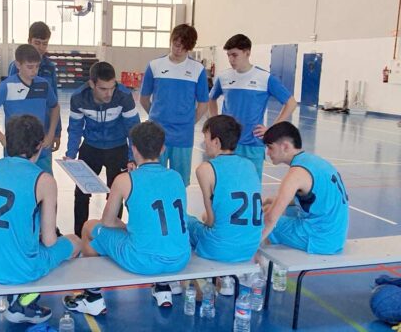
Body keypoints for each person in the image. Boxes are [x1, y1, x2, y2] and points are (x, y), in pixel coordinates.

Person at [63, 121, 191, 314]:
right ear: (163, 148)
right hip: (180, 257)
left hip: (142, 261)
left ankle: (93, 296)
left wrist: (124, 226)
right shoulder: (176, 176)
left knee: (90, 227)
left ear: (134, 148)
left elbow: (107, 221)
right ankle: (162, 287)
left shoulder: (124, 180)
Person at [0, 115, 81, 324]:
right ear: (39, 145)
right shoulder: (44, 179)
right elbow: (49, 240)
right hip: (19, 270)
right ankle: (25, 302)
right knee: (74, 242)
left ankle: (17, 299)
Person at [188, 115, 263, 295]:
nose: (204, 143)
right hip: (250, 247)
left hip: (219, 249)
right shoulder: (250, 165)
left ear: (216, 141)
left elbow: (211, 220)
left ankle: (197, 281)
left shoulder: (205, 169)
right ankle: (231, 277)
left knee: (185, 221)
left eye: (206, 138)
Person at [65, 61, 140, 237]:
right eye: (103, 89)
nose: (109, 94)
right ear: (92, 84)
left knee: (116, 194)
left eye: (112, 87)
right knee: (82, 194)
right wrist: (70, 155)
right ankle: (80, 235)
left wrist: (132, 158)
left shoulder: (124, 96)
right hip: (91, 148)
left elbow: (134, 129)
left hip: (118, 148)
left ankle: (112, 235)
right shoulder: (78, 98)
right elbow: (75, 128)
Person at [209, 34, 297, 178]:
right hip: (227, 144)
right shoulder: (223, 77)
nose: (231, 59)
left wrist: (272, 129)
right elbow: (211, 99)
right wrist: (216, 121)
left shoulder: (264, 78)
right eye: (229, 55)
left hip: (252, 145)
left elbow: (291, 103)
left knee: (251, 186)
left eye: (235, 55)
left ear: (247, 52)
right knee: (226, 184)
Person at [262, 121, 349, 254]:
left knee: (260, 220)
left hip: (319, 239)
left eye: (270, 147)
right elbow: (314, 198)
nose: (267, 153)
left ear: (285, 146)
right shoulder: (314, 162)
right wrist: (270, 199)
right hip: (335, 236)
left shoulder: (296, 174)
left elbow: (270, 218)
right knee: (270, 207)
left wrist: (248, 247)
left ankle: (259, 267)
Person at [139, 24, 209, 187]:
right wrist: (156, 117)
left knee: (180, 182)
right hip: (157, 135)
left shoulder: (197, 69)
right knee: (155, 180)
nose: (178, 50)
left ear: (189, 48)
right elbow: (144, 99)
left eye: (184, 48)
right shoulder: (154, 65)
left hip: (183, 137)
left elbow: (203, 104)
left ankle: (178, 212)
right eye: (176, 45)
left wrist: (188, 122)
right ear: (171, 41)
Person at [0, 44, 60, 173]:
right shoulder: (8, 86)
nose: (34, 71)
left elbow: (55, 107)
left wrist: (51, 133)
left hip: (41, 150)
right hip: (15, 150)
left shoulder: (43, 85)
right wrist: (2, 138)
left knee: (43, 186)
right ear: (18, 65)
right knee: (16, 185)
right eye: (30, 67)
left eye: (37, 66)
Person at [8, 21, 62, 151]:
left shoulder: (50, 68)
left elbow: (54, 101)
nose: (41, 47)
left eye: (45, 44)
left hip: (44, 131)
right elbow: (10, 101)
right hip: (20, 131)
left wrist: (56, 132)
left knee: (42, 167)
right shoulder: (16, 67)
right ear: (29, 41)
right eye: (37, 43)